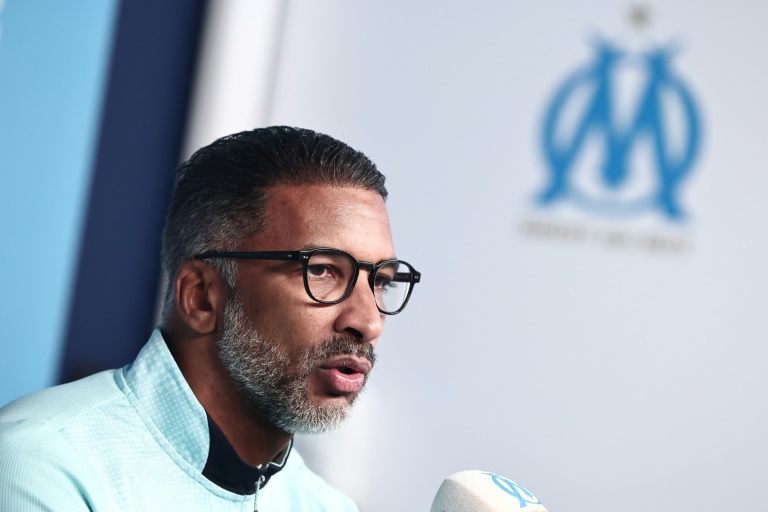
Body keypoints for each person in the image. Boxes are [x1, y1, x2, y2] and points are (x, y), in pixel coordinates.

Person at [0, 127, 421, 511]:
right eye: (322, 271)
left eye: (381, 281)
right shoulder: (44, 463)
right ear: (201, 296)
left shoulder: (327, 507)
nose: (369, 322)